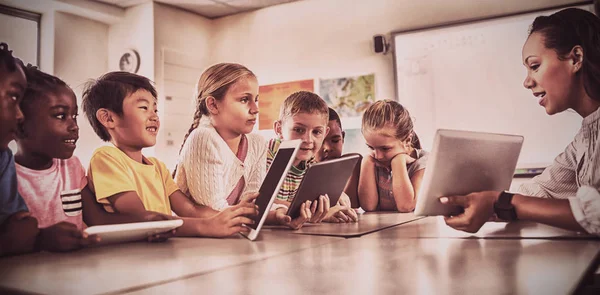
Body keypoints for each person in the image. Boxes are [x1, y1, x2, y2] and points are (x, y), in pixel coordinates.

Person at [441, 8, 600, 235]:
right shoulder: (585, 137)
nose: (527, 82)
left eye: (534, 66)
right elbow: (542, 190)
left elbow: (596, 213)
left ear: (576, 58)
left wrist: (500, 201)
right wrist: (477, 200)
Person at [82, 71, 258, 238]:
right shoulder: (106, 158)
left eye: (155, 110)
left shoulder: (157, 167)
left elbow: (191, 210)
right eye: (144, 107)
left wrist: (232, 217)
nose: (154, 116)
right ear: (108, 118)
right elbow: (141, 218)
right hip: (132, 256)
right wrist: (205, 226)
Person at [270, 91, 357, 225]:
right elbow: (264, 202)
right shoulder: (264, 155)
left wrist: (334, 200)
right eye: (298, 130)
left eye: (317, 132)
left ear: (325, 133)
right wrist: (321, 212)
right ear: (279, 129)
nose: (308, 140)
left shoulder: (311, 164)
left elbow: (307, 200)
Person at [358, 100, 428, 212]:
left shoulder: (423, 162)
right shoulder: (372, 161)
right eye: (371, 148)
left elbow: (406, 206)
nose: (378, 156)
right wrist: (366, 162)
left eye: (385, 148)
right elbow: (369, 206)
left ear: (407, 141)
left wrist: (398, 162)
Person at [316, 107, 362, 208]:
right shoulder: (300, 172)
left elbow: (350, 205)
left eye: (335, 141)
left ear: (343, 138)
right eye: (320, 142)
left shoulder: (353, 164)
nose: (327, 148)